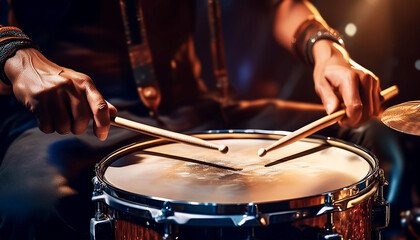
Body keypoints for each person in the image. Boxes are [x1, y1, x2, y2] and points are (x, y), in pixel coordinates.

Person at [0, 0, 386, 239]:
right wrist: (17, 56)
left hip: (194, 108)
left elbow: (278, 4)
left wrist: (327, 47)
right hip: (76, 119)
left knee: (369, 127)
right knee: (30, 208)